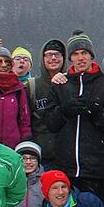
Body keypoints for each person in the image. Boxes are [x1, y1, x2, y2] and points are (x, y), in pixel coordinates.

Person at [44, 31, 104, 204]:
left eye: (84, 53)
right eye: (76, 54)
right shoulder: (60, 84)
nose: (80, 58)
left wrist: (95, 110)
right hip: (67, 168)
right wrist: (64, 110)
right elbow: (50, 123)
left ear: (91, 56)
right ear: (70, 58)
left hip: (98, 170)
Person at [29, 39, 66, 168]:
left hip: (67, 154)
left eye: (57, 54)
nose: (53, 58)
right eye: (49, 55)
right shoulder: (32, 86)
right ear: (42, 58)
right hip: (41, 155)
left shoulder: (73, 84)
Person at [0, 47, 32, 148]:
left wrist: (25, 141)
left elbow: (24, 121)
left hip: (12, 148)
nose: (4, 64)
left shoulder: (19, 89)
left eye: (7, 61)